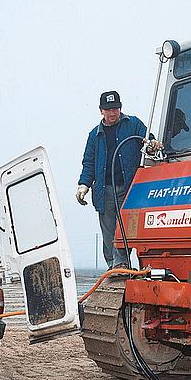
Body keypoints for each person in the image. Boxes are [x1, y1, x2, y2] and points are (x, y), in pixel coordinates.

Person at [76, 91, 162, 269]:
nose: (112, 112)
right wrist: (83, 185)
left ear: (120, 108)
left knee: (125, 226)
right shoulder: (94, 135)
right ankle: (112, 265)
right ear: (101, 111)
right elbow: (89, 162)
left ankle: (121, 262)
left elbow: (148, 140)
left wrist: (152, 144)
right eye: (108, 109)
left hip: (129, 188)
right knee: (108, 229)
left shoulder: (133, 124)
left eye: (115, 108)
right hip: (104, 189)